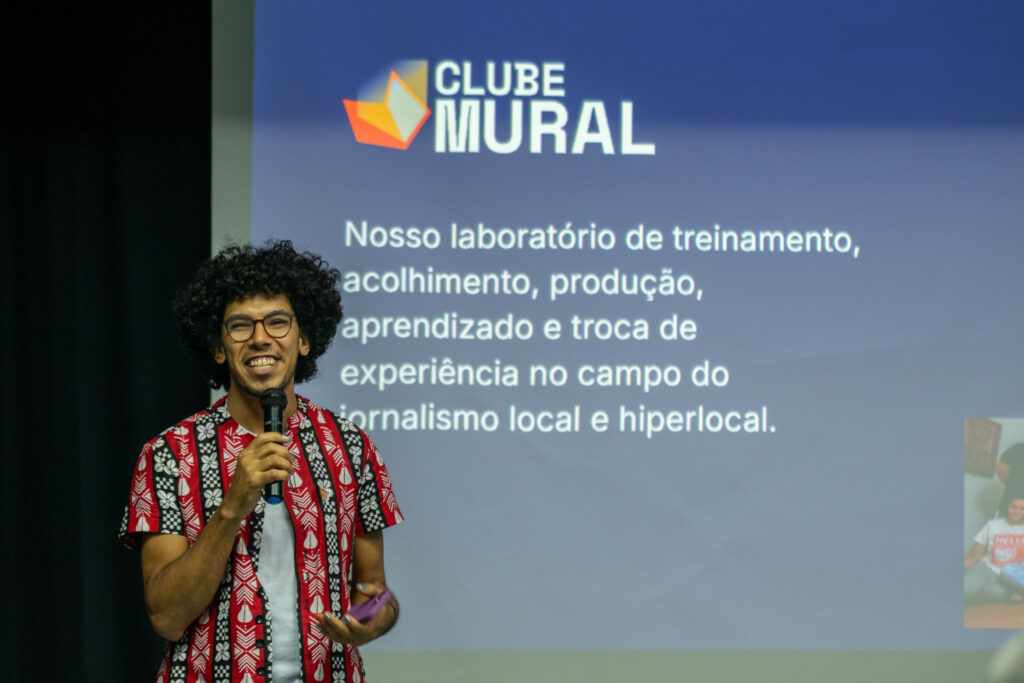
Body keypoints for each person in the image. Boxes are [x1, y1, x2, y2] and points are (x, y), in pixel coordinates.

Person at [120, 240, 403, 683]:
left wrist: (372, 619)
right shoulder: (169, 455)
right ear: (218, 348)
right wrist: (234, 504)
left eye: (277, 322)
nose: (259, 338)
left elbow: (373, 591)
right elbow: (167, 617)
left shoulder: (351, 445)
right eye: (240, 326)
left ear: (304, 339)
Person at [965, 497, 1024, 604]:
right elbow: (974, 555)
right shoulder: (993, 525)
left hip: (1010, 575)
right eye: (1014, 507)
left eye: (1022, 508)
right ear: (1007, 508)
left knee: (997, 594)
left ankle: (1016, 593)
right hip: (988, 569)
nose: (1017, 511)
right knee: (966, 588)